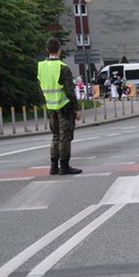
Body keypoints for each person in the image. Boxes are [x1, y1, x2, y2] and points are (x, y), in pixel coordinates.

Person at [38, 37, 82, 175]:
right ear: (59, 50)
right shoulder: (63, 67)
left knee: (55, 136)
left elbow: (40, 88)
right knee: (65, 136)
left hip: (50, 106)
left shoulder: (41, 67)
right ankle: (64, 166)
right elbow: (69, 90)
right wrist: (76, 109)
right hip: (64, 106)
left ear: (47, 49)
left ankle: (53, 166)